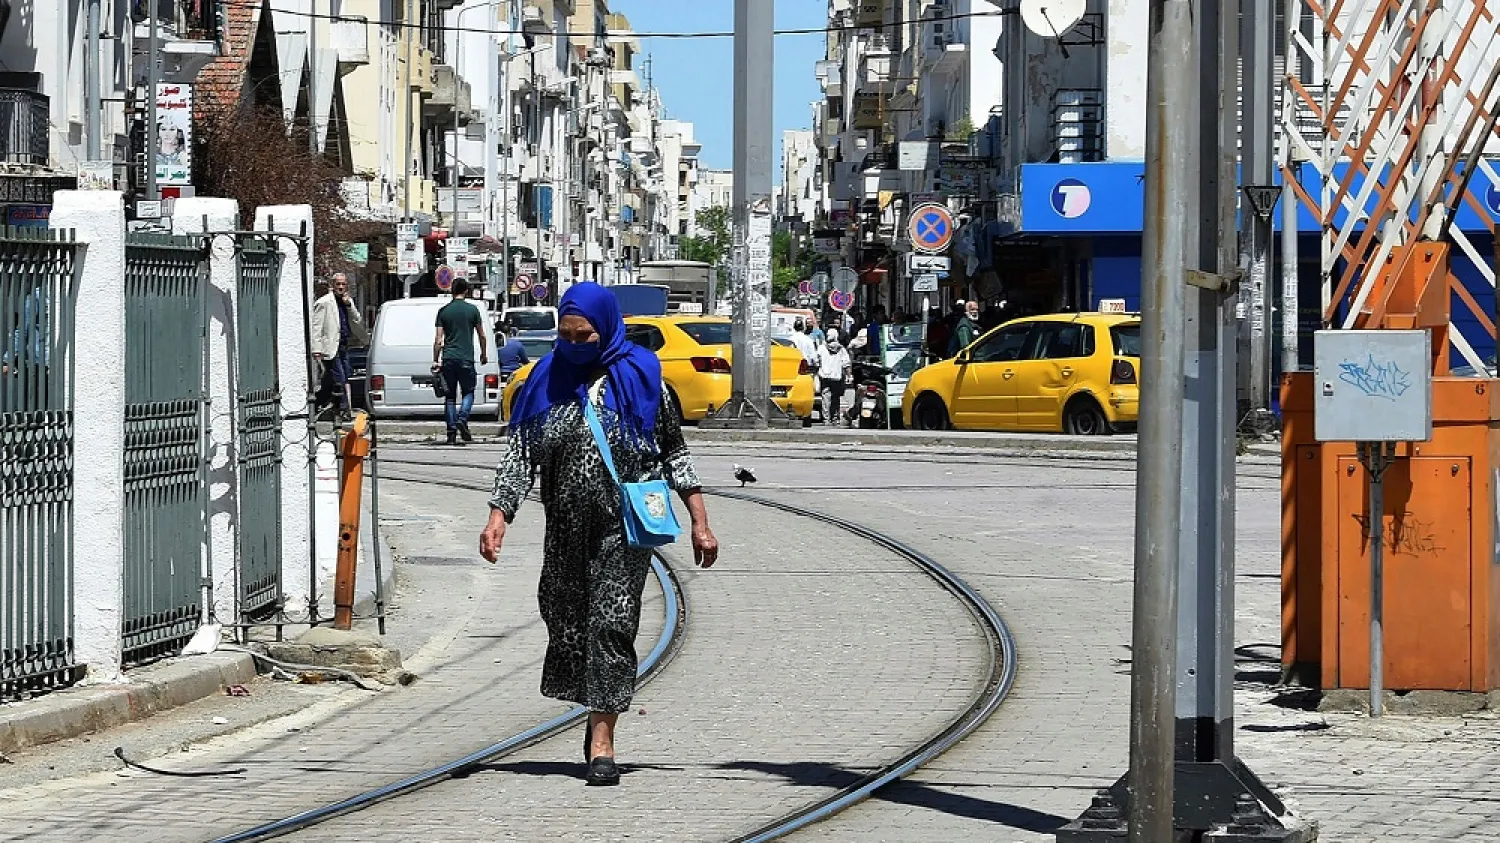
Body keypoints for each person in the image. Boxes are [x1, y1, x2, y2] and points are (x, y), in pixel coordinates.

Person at [481, 282, 719, 787]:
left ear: (605, 328)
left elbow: (674, 453)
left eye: (583, 335)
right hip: (564, 529)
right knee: (566, 621)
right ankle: (596, 713)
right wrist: (499, 514)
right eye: (564, 335)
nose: (573, 344)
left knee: (611, 626)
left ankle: (604, 739)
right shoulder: (543, 380)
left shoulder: (642, 376)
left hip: (622, 530)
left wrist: (699, 518)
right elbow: (521, 455)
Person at [432, 278, 489, 445]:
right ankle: (462, 418)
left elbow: (438, 339)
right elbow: (482, 335)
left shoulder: (443, 311)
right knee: (468, 392)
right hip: (466, 358)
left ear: (452, 291)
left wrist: (436, 360)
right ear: (466, 291)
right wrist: (483, 354)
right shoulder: (473, 310)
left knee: (449, 397)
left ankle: (451, 433)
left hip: (448, 358)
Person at [312, 274, 363, 422]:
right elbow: (317, 327)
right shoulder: (324, 302)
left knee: (340, 378)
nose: (341, 287)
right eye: (338, 284)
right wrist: (317, 348)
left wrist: (349, 305)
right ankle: (343, 409)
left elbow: (357, 319)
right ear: (332, 285)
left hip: (344, 345)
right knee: (339, 378)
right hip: (330, 346)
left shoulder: (347, 301)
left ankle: (318, 404)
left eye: (343, 284)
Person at [816, 328, 852, 427]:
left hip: (824, 376)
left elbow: (816, 361)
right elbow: (846, 364)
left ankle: (826, 419)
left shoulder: (821, 348)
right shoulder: (841, 349)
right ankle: (834, 418)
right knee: (835, 398)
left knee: (825, 398)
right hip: (837, 377)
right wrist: (849, 375)